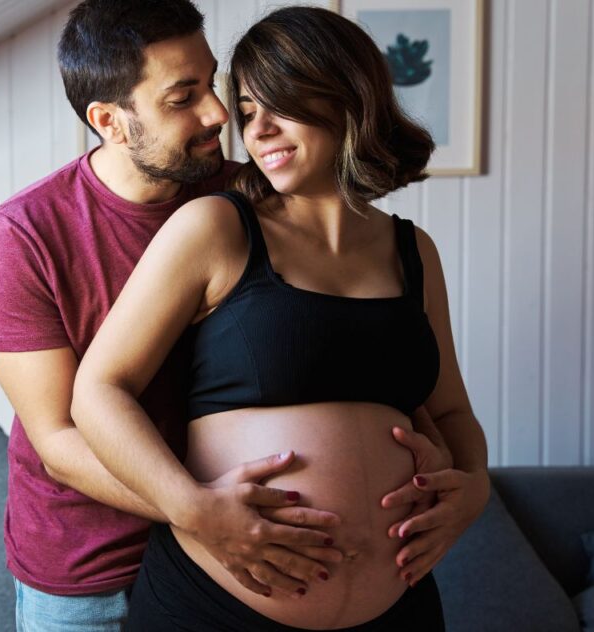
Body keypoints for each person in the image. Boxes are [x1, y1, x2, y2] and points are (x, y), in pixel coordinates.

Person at [71, 6, 491, 631]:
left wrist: (476, 489)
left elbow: (452, 411)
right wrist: (193, 508)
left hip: (399, 607)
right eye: (245, 112)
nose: (257, 129)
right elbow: (98, 392)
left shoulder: (413, 251)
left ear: (348, 97)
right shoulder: (216, 228)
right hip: (214, 608)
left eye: (280, 103)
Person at [0, 1, 380, 629]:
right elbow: (59, 439)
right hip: (92, 572)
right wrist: (197, 509)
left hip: (230, 565)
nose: (219, 114)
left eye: (213, 83)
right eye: (182, 97)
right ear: (110, 121)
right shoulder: (24, 234)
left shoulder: (251, 197)